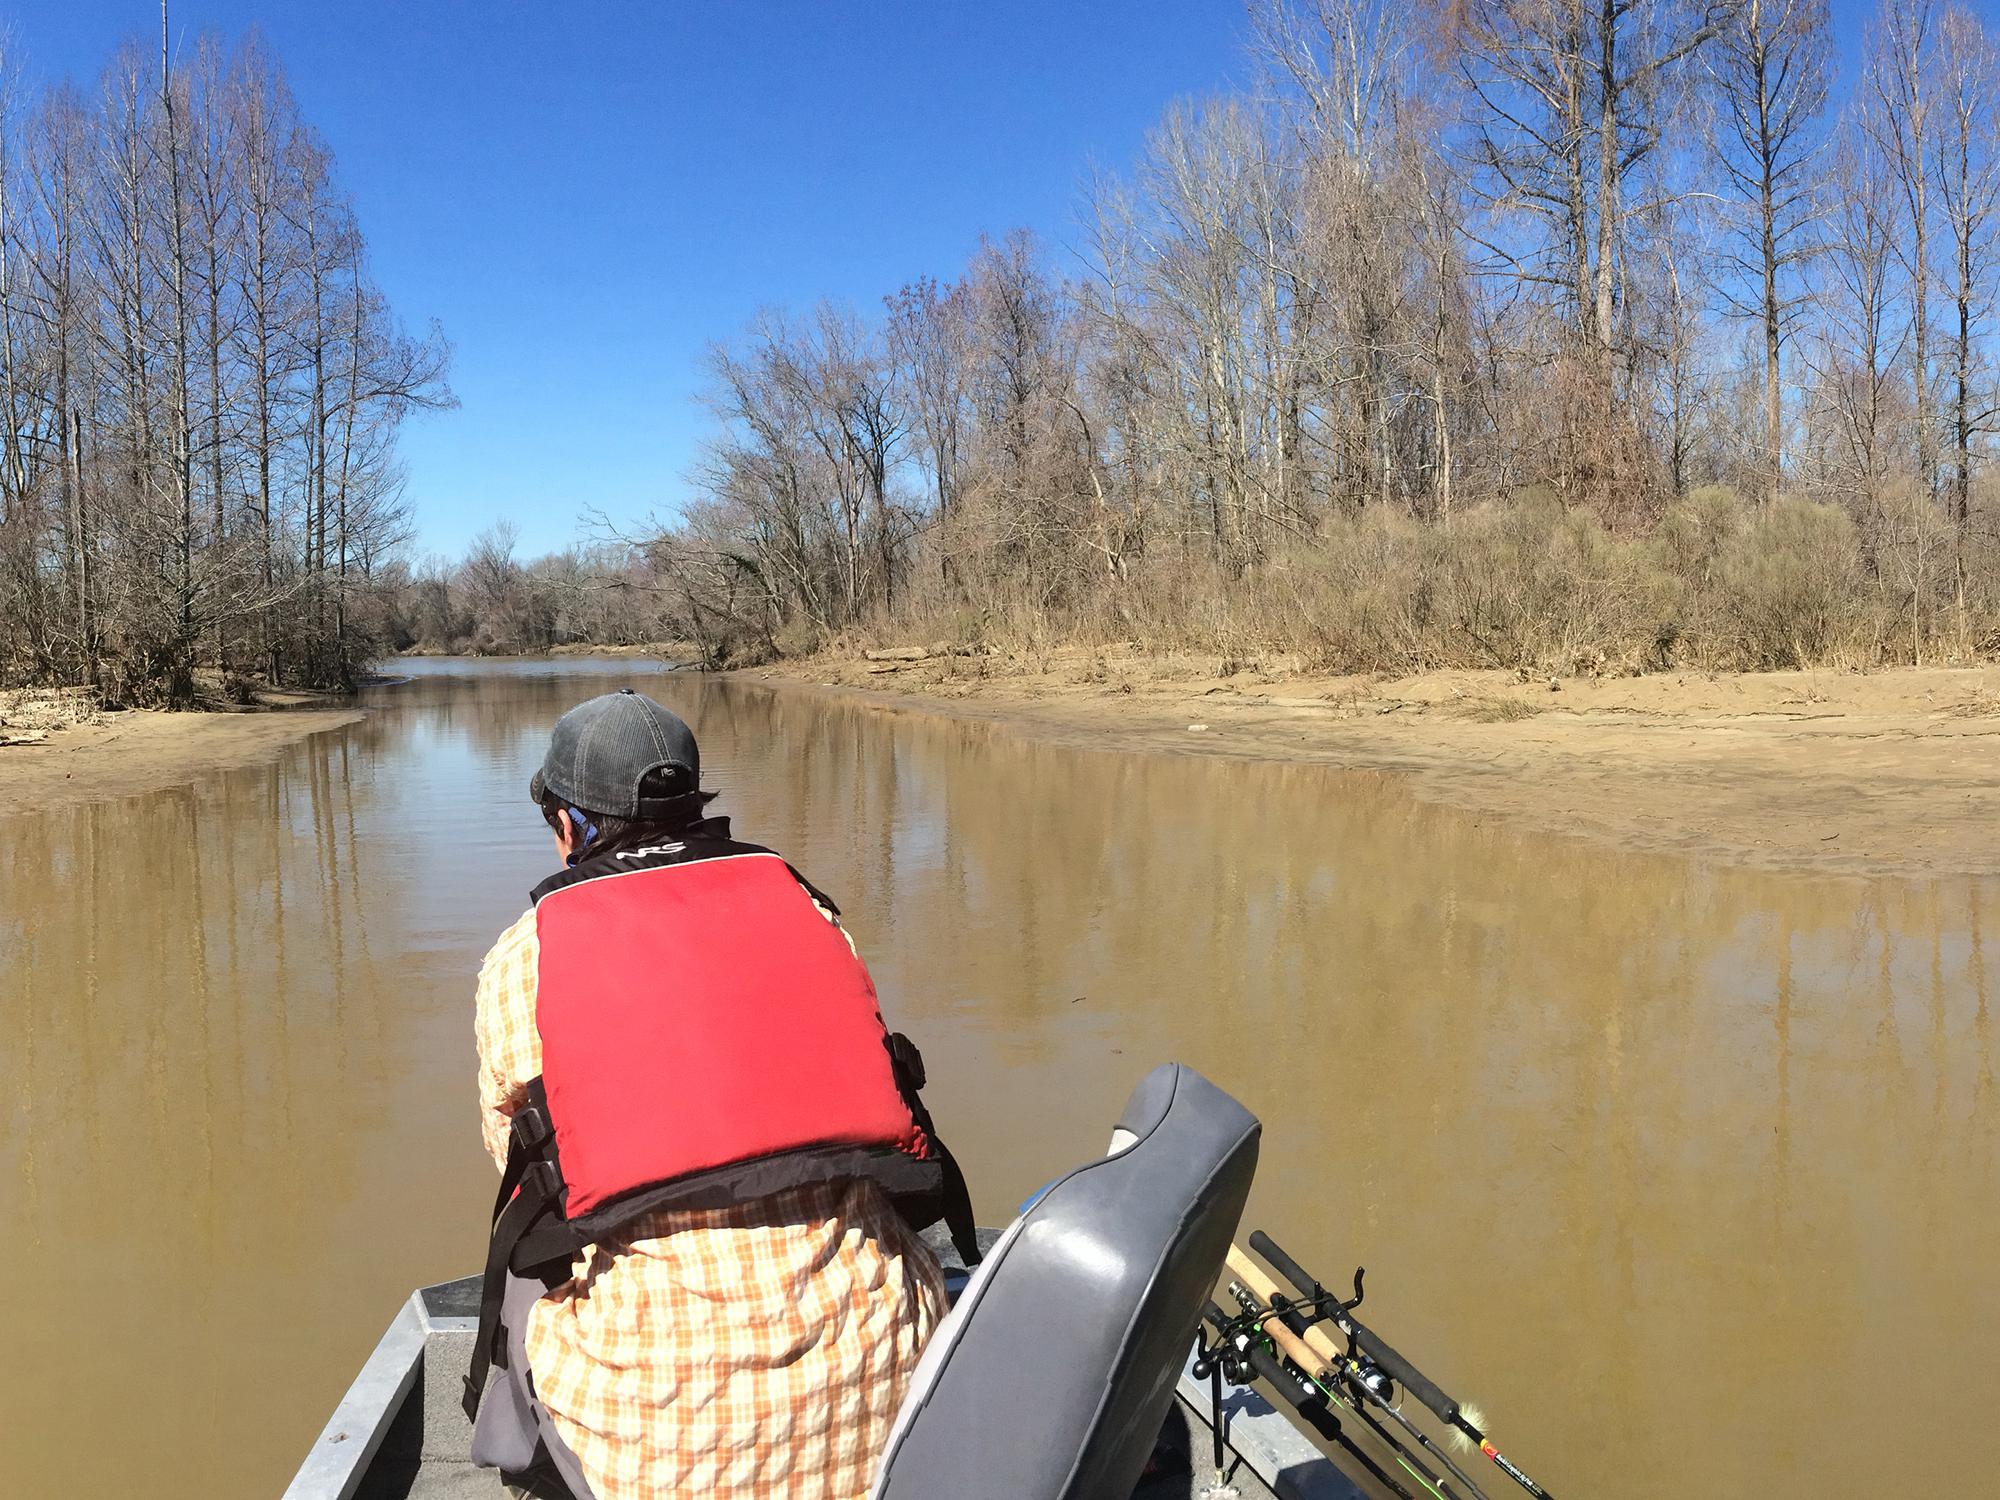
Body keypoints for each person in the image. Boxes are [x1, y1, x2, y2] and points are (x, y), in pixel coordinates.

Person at [467, 687, 966, 1500]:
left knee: (533, 1252)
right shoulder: (805, 905)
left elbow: (521, 1164)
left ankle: (541, 1467)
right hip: (888, 1383)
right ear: (693, 806)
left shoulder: (526, 958)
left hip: (669, 1452)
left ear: (568, 825)